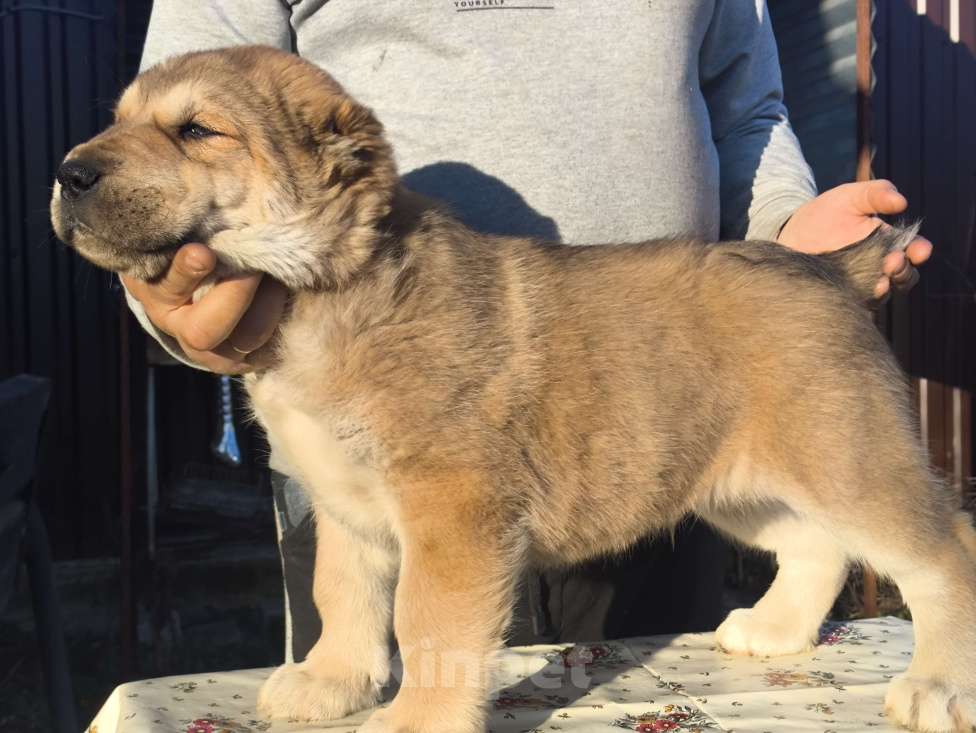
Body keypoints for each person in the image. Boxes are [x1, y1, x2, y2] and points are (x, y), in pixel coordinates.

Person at [124, 0, 931, 663]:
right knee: (375, 629)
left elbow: (745, 103)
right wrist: (177, 301)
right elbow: (170, 134)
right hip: (354, 348)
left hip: (664, 393)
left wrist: (784, 236)